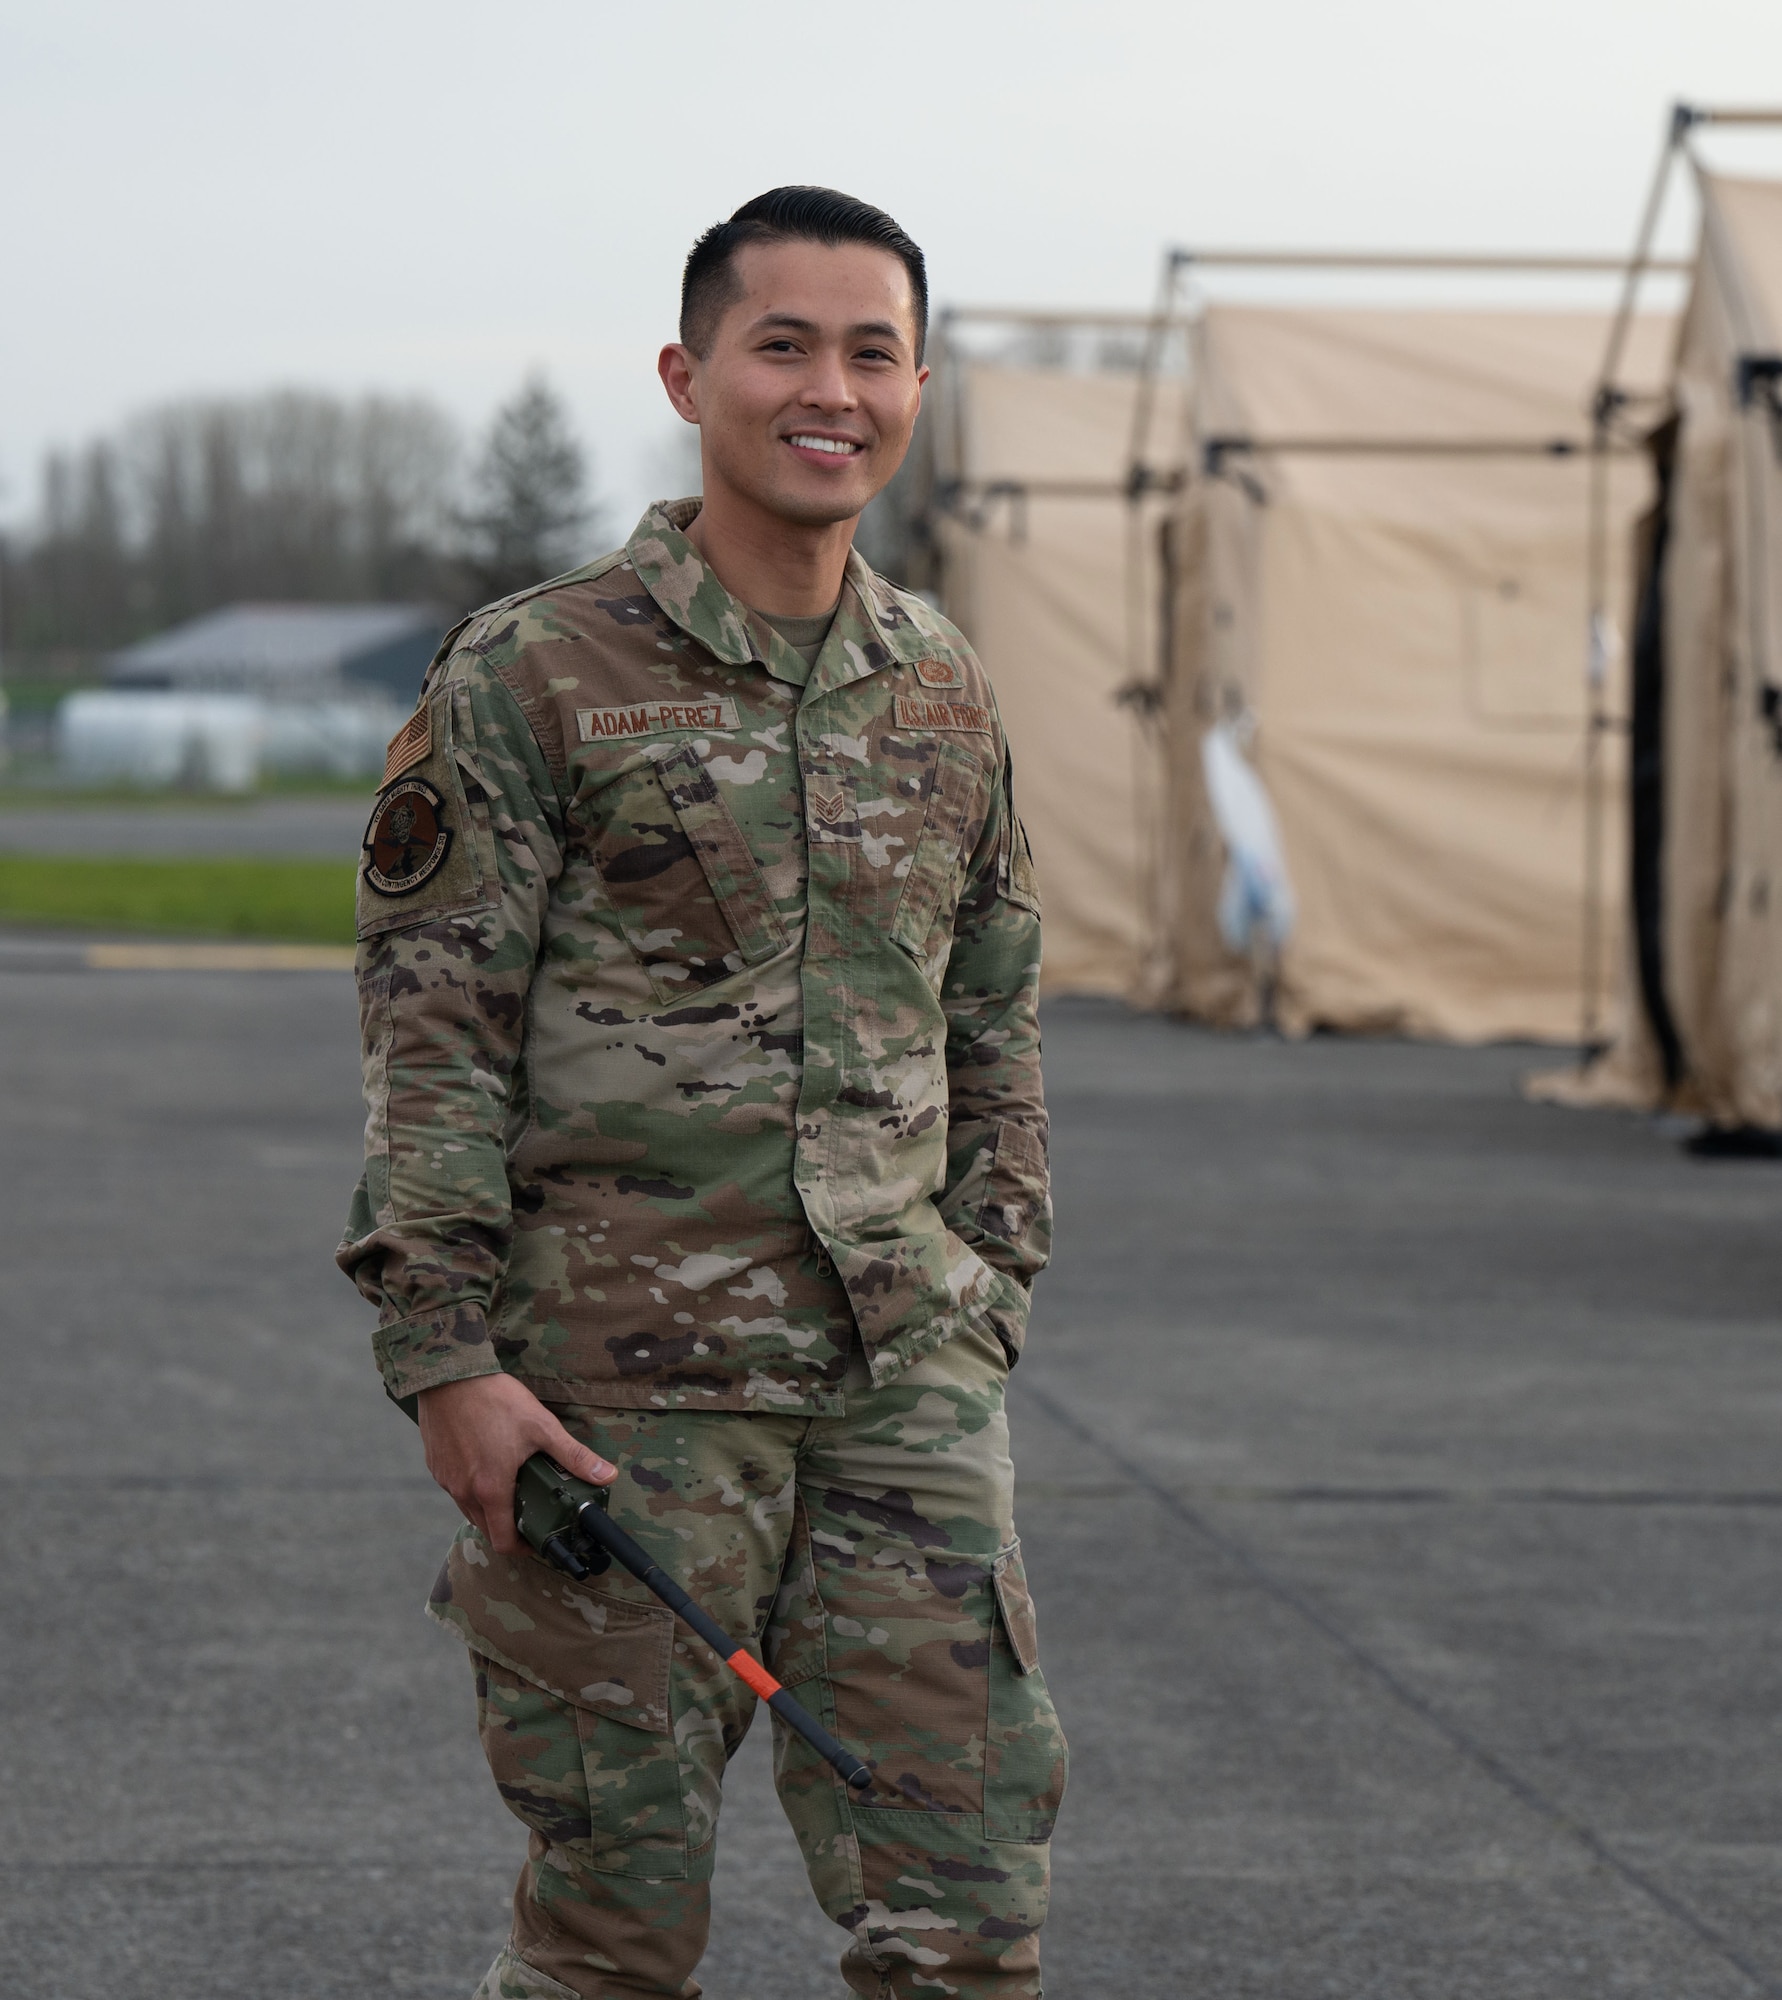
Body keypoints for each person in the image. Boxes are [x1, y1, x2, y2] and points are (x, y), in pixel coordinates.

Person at [339, 185, 1064, 2000]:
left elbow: (993, 1012)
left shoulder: (943, 688)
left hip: (902, 1398)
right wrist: (444, 1358)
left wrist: (990, 1283)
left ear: (915, 384)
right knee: (610, 1941)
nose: (833, 388)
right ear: (690, 373)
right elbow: (432, 1033)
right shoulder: (536, 673)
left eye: (873, 351)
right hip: (615, 1421)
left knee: (966, 1927)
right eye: (783, 344)